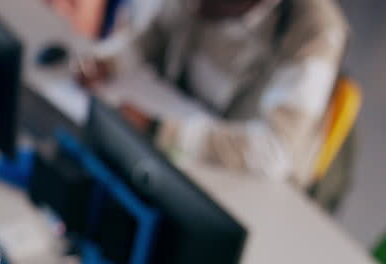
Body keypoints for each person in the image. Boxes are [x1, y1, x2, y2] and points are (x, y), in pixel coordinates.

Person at [76, 0, 348, 189]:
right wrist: (110, 61)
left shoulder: (314, 29)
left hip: (242, 178)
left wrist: (159, 130)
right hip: (173, 154)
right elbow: (156, 33)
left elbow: (275, 151)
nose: (193, 7)